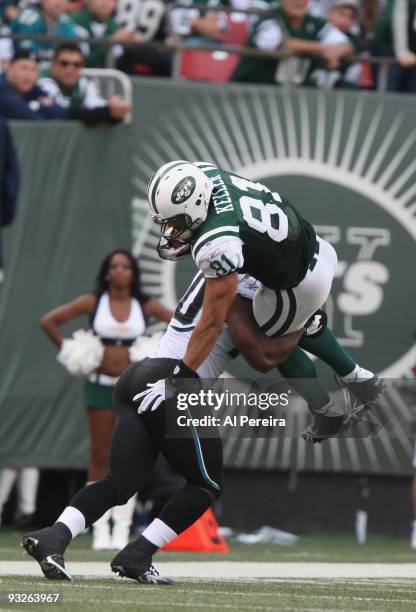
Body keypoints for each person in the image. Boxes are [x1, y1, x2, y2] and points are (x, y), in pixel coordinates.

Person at [21, 273, 309, 583]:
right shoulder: (243, 280)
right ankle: (139, 553)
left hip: (139, 374)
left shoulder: (219, 265)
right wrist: (303, 327)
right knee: (206, 483)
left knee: (120, 482)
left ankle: (54, 537)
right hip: (172, 381)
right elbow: (261, 357)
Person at [137, 160, 385, 439]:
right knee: (280, 325)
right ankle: (356, 379)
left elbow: (211, 325)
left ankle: (330, 403)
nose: (170, 229)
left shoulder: (216, 244)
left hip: (297, 285)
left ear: (195, 204)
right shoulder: (204, 174)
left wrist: (178, 378)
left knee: (266, 350)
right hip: (314, 247)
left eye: (175, 221)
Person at [40, 249, 172, 550]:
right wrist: (74, 352)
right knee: (100, 456)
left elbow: (179, 324)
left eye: (126, 266)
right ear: (107, 272)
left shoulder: (145, 304)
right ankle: (99, 530)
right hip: (100, 386)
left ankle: (122, 530)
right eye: (114, 266)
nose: (120, 271)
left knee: (130, 457)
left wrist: (153, 353)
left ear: (134, 272)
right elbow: (49, 321)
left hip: (133, 388)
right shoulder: (93, 301)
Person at [231, 0, 354, 87]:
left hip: (290, 94)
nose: (299, 1)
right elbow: (273, 43)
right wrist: (321, 47)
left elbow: (346, 43)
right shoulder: (269, 16)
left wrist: (336, 52)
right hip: (250, 89)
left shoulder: (314, 22)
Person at [37, 43, 131, 125]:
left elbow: (96, 107)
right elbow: (61, 114)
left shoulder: (84, 84)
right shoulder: (43, 83)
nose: (70, 69)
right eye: (64, 63)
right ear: (53, 65)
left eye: (76, 65)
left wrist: (113, 107)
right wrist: (107, 111)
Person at [0, 49, 68, 120]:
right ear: (9, 67)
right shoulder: (2, 88)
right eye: (24, 68)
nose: (28, 74)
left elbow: (60, 113)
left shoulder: (32, 89)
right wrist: (39, 106)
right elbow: (23, 113)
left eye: (33, 70)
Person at [10, 0, 77, 66]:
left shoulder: (65, 20)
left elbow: (71, 48)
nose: (58, 2)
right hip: (21, 63)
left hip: (51, 66)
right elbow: (26, 52)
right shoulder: (30, 16)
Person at [372, 0, 416, 93]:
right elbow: (399, 17)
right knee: (388, 91)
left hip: (411, 51)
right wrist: (402, 52)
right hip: (387, 45)